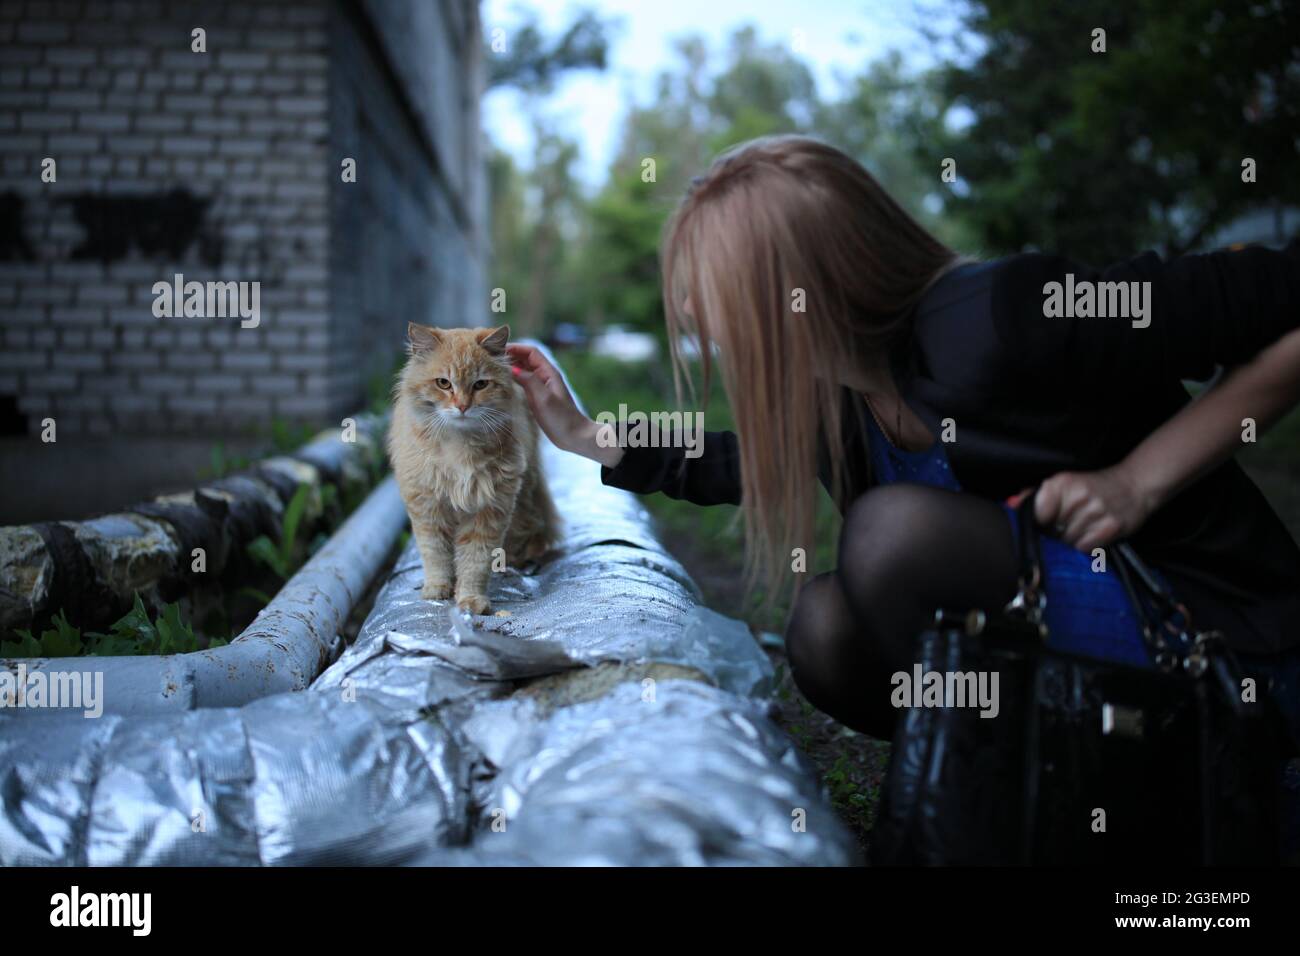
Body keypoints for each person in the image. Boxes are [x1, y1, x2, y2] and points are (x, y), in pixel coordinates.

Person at [507, 134, 1300, 753]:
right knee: (824, 629)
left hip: (1209, 638)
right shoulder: (842, 392)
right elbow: (738, 456)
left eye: (712, 299)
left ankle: (1073, 781)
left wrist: (1137, 482)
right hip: (1077, 670)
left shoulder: (1003, 316)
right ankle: (1027, 774)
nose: (697, 320)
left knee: (890, 538)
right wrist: (582, 433)